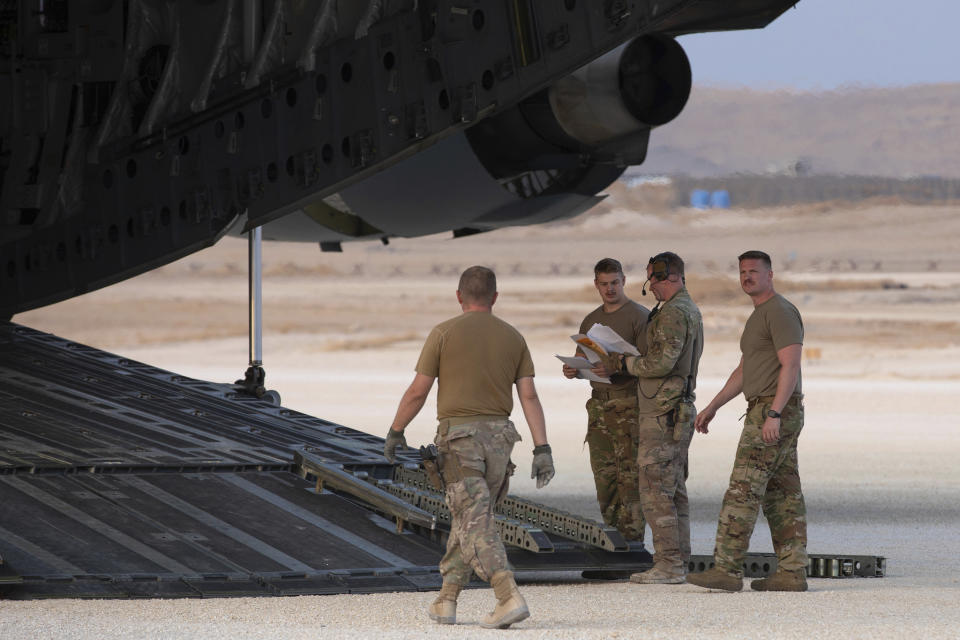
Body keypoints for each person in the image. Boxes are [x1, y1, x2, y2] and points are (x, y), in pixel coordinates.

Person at [383, 265, 555, 628]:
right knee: (471, 518)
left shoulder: (443, 333)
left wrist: (396, 430)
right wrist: (542, 448)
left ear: (459, 296)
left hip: (459, 441)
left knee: (475, 521)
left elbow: (418, 390)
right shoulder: (513, 337)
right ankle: (447, 599)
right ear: (494, 297)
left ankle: (507, 595)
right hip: (500, 443)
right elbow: (529, 395)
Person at [686, 250, 808, 593]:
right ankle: (792, 572)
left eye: (754, 271)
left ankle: (725, 568)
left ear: (770, 275)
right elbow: (745, 370)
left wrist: (774, 414)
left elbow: (791, 365)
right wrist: (713, 406)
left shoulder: (780, 312)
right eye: (742, 272)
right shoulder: (759, 316)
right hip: (768, 407)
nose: (747, 277)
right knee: (782, 494)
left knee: (743, 489)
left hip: (773, 409)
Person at [594, 252, 702, 584]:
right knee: (673, 490)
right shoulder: (684, 310)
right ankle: (678, 559)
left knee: (654, 488)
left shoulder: (673, 314)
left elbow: (660, 364)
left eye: (653, 280)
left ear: (668, 276)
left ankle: (668, 564)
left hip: (662, 412)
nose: (650, 287)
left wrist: (624, 364)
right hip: (673, 409)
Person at [561, 258, 648, 548]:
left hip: (629, 406)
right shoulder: (591, 319)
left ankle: (633, 546)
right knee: (605, 478)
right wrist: (573, 370)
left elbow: (650, 364)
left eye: (615, 283)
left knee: (630, 478)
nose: (610, 289)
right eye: (604, 284)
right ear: (596, 284)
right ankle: (613, 545)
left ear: (624, 281)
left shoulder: (639, 317)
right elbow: (586, 357)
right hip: (599, 405)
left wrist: (618, 367)